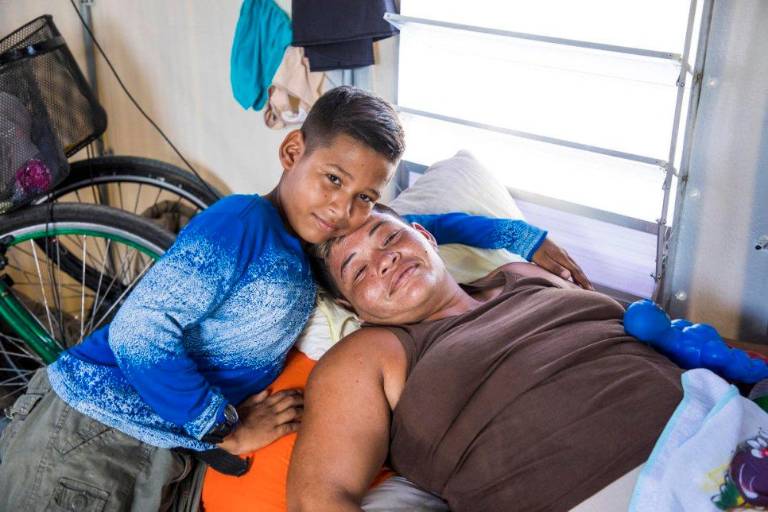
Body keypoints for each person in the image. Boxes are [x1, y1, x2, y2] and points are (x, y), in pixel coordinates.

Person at [0, 86, 589, 510]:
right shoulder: (242, 222)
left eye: (364, 198)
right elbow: (140, 334)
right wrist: (222, 427)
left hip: (162, 444)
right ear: (291, 153)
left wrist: (521, 239)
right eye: (333, 179)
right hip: (94, 424)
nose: (343, 209)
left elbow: (422, 227)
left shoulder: (314, 242)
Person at [287, 204, 684, 512]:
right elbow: (316, 500)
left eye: (390, 238)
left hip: (705, 416)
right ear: (351, 307)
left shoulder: (522, 274)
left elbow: (645, 334)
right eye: (358, 272)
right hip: (606, 491)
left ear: (425, 236)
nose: (385, 260)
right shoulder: (366, 355)